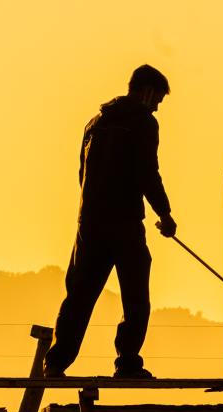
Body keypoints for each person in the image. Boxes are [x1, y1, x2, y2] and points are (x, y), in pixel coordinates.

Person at [43, 64, 177, 379]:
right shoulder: (143, 122)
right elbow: (147, 172)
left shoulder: (95, 123)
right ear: (146, 91)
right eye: (158, 99)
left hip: (88, 223)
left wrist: (91, 211)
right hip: (125, 223)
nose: (157, 106)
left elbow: (81, 173)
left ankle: (55, 363)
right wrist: (165, 213)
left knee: (79, 294)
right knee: (135, 296)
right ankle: (128, 361)